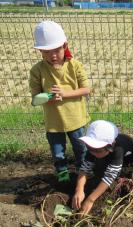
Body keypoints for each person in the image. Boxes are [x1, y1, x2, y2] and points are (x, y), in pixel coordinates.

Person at [29, 21, 90, 183]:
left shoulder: (75, 66)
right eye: (47, 51)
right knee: (58, 153)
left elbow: (86, 89)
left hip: (76, 120)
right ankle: (63, 178)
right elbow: (35, 99)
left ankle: (82, 176)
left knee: (81, 150)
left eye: (56, 50)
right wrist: (48, 97)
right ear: (40, 51)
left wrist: (65, 93)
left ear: (65, 46)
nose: (53, 55)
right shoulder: (37, 71)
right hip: (54, 123)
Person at [72, 120, 133, 215]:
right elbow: (84, 169)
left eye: (97, 150)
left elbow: (109, 176)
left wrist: (91, 199)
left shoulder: (118, 149)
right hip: (112, 159)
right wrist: (79, 189)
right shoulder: (93, 149)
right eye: (89, 148)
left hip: (131, 157)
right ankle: (118, 171)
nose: (92, 152)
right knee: (101, 170)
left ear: (110, 146)